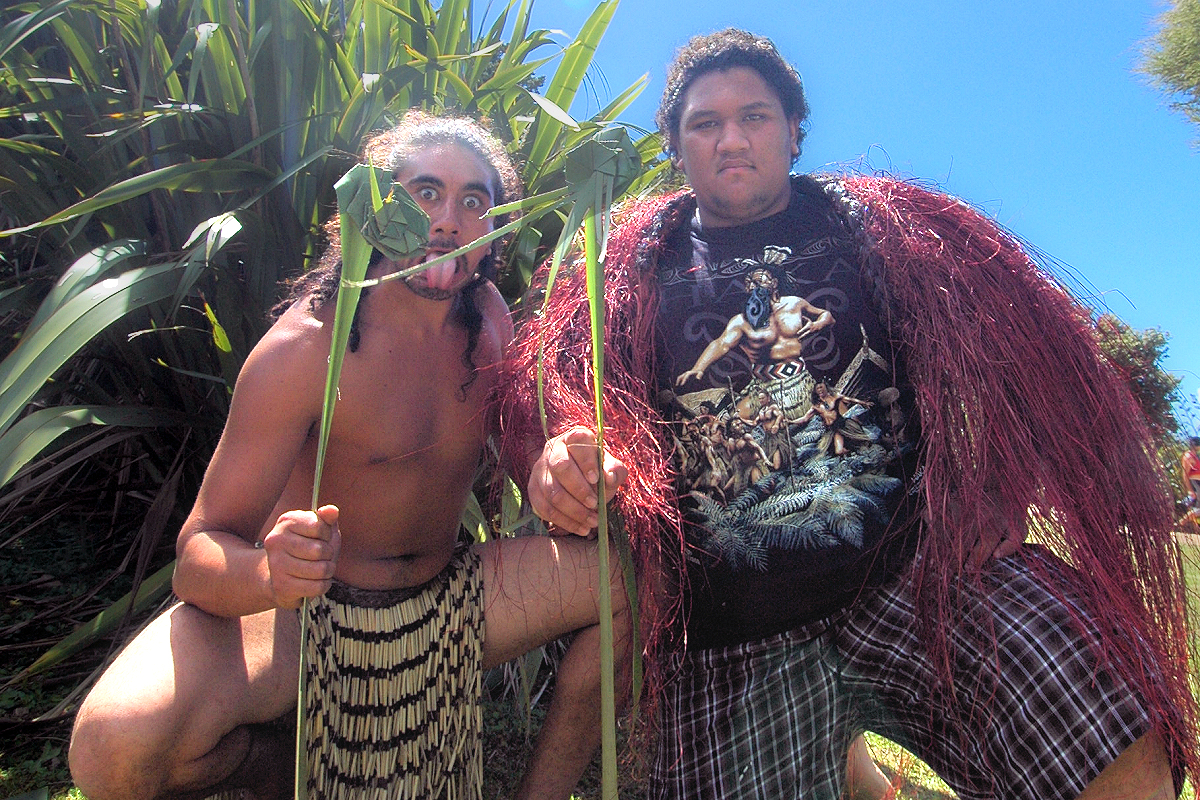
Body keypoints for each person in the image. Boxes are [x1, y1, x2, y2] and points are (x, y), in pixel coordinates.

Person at [495, 29, 1198, 800]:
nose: (731, 139)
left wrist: (1005, 481)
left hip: (921, 582)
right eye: (705, 123)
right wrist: (560, 460)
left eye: (755, 117)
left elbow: (1028, 366)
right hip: (733, 641)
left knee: (1115, 732)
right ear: (674, 145)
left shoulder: (881, 232)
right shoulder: (632, 270)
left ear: (795, 132)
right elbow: (563, 408)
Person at [68, 112, 626, 800]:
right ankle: (278, 769)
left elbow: (526, 459)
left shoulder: (491, 325)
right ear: (371, 205)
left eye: (473, 202)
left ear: (495, 230)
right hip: (305, 618)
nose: (447, 221)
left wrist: (554, 470)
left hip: (444, 602)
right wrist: (270, 573)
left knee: (632, 578)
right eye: (424, 193)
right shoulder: (303, 350)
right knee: (111, 746)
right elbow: (197, 557)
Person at [1181, 436, 1200, 507]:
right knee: (1198, 510)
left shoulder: (1196, 456)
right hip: (1195, 483)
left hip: (1198, 483)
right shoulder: (1189, 457)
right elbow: (1185, 474)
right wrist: (1190, 490)